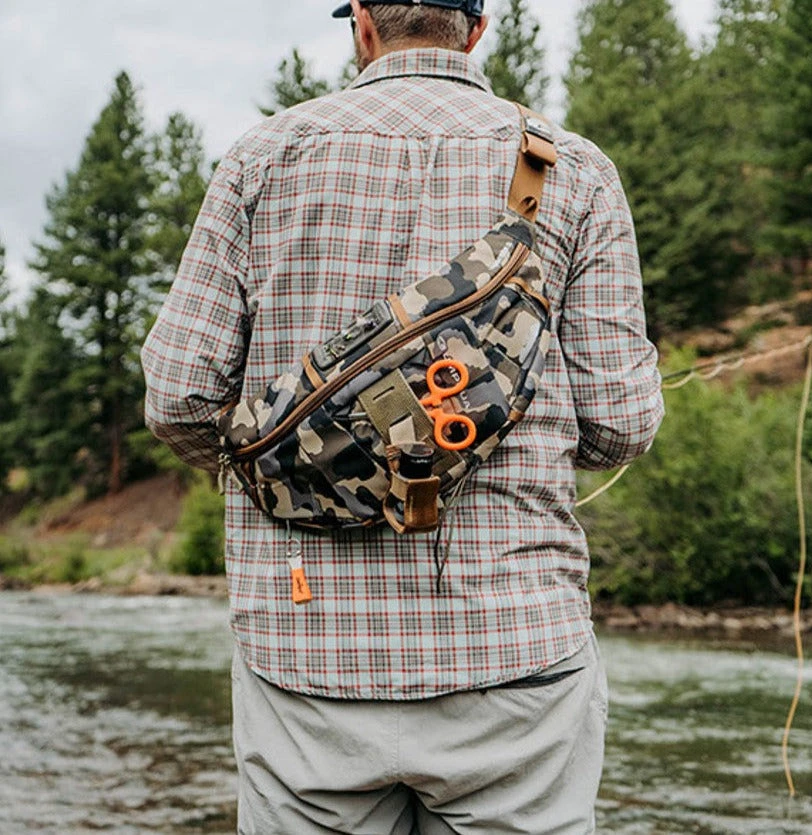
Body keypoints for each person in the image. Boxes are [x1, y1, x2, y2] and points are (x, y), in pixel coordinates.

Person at [141, 0, 665, 831]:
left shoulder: (262, 158)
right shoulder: (573, 170)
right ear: (477, 29)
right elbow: (621, 423)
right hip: (515, 652)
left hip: (306, 648)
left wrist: (304, 466)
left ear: (363, 24)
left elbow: (178, 396)